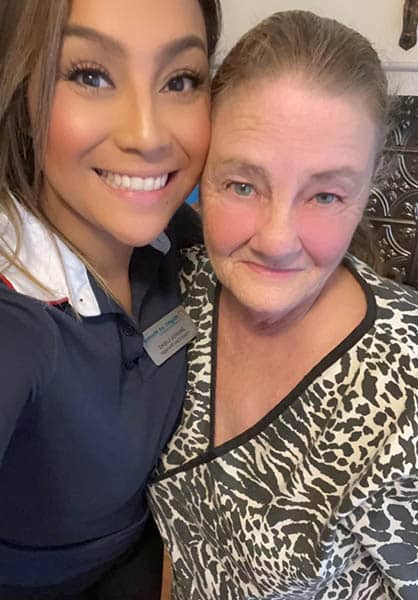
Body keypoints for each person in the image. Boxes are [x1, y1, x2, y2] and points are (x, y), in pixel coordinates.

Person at [148, 10, 418, 600]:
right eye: (243, 185)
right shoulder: (178, 290)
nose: (275, 239)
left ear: (367, 189)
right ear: (203, 169)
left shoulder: (406, 390)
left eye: (324, 194)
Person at [0, 0, 221, 598]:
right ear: (20, 89)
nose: (147, 136)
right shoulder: (19, 322)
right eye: (90, 75)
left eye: (181, 80)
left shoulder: (176, 237)